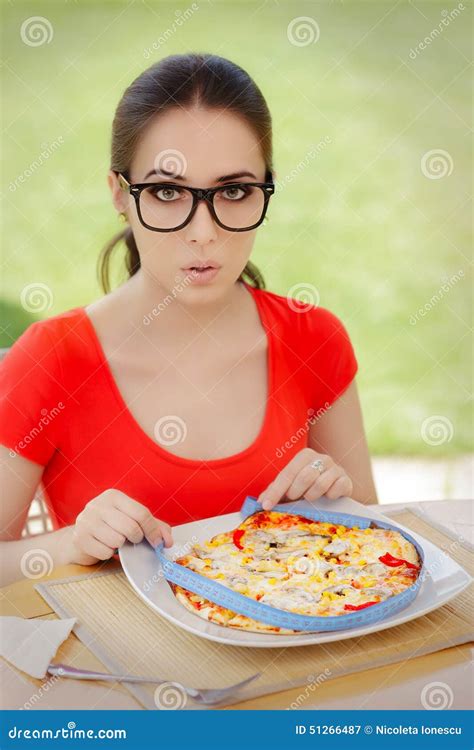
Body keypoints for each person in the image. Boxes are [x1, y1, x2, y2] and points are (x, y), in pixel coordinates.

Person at [0, 53, 377, 586]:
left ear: (265, 188)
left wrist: (338, 501)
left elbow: (375, 536)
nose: (203, 231)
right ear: (119, 195)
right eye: (167, 191)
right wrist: (71, 542)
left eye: (233, 191)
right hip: (118, 668)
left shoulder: (314, 339)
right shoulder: (52, 358)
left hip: (288, 659)